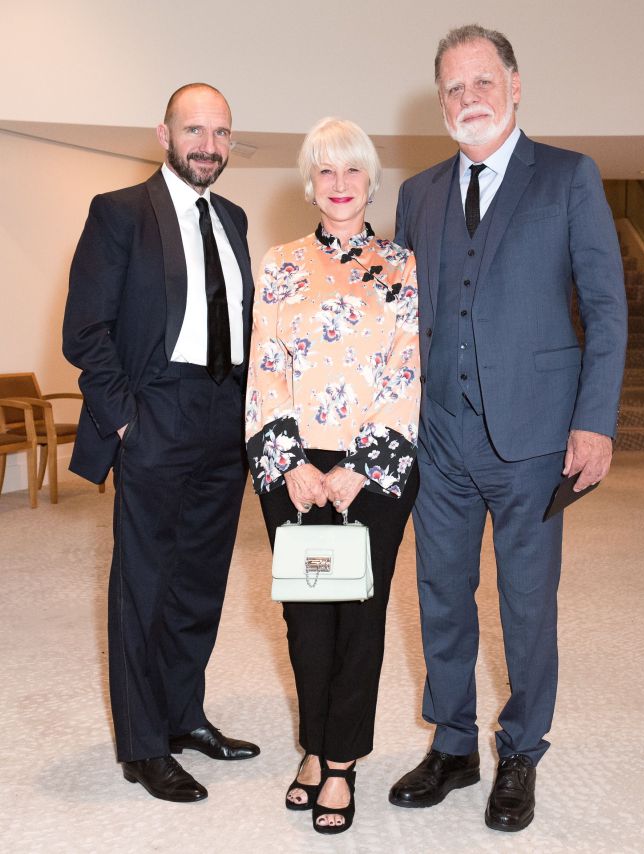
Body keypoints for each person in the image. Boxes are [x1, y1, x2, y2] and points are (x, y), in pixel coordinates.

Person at [388, 25, 627, 832]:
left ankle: (519, 750)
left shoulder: (568, 177)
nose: (468, 100)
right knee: (440, 597)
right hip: (439, 436)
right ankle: (453, 746)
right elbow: (396, 321)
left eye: (482, 82)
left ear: (514, 85)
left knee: (526, 604)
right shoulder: (417, 193)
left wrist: (593, 423)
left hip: (534, 440)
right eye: (453, 88)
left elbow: (603, 307)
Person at [63, 83, 259, 803]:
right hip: (156, 414)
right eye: (194, 130)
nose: (208, 145)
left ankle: (184, 717)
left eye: (221, 133)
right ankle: (144, 746)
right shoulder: (119, 214)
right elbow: (85, 331)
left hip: (224, 419)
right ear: (164, 134)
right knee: (143, 586)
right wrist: (126, 423)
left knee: (199, 583)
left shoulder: (234, 218)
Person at [245, 117, 420, 834]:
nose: (339, 185)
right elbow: (265, 368)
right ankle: (313, 747)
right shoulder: (278, 264)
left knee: (359, 616)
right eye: (325, 171)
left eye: (352, 172)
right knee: (304, 617)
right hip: (292, 471)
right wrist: (289, 466)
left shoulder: (402, 264)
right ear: (309, 183)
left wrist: (359, 469)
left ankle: (340, 761)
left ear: (369, 181)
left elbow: (404, 370)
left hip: (372, 472)